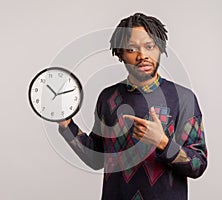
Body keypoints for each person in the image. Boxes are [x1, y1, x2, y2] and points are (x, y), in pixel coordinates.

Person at [58, 13, 207, 200]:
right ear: (120, 53)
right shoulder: (108, 98)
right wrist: (66, 124)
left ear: (160, 48)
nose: (142, 55)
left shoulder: (184, 99)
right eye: (131, 49)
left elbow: (198, 165)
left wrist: (162, 142)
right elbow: (96, 159)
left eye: (149, 46)